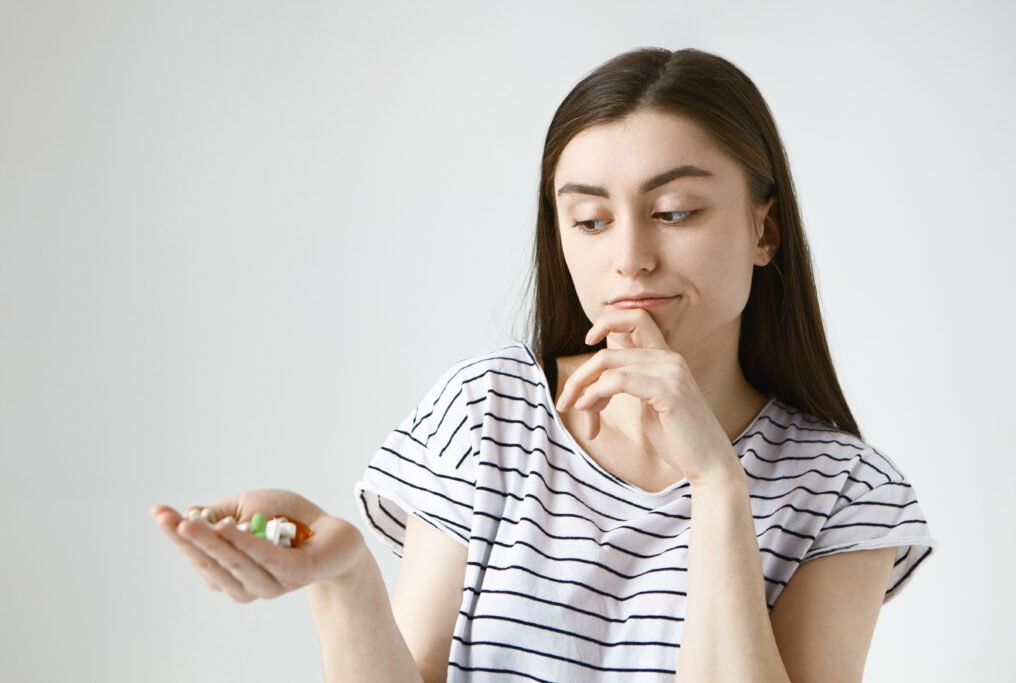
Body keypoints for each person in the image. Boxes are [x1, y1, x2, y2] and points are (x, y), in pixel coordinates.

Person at [151, 46, 937, 682]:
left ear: (765, 232)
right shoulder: (486, 411)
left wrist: (717, 483)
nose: (629, 257)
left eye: (674, 213)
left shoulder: (845, 493)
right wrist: (345, 579)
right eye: (591, 220)